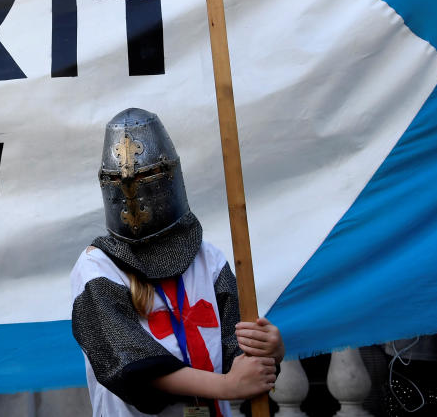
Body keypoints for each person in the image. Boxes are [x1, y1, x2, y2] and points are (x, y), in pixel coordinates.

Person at [71, 108, 284, 416]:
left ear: (169, 176)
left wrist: (270, 350)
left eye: (147, 176)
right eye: (120, 179)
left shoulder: (207, 259)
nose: (132, 187)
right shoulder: (97, 267)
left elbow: (237, 356)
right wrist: (227, 387)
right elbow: (127, 363)